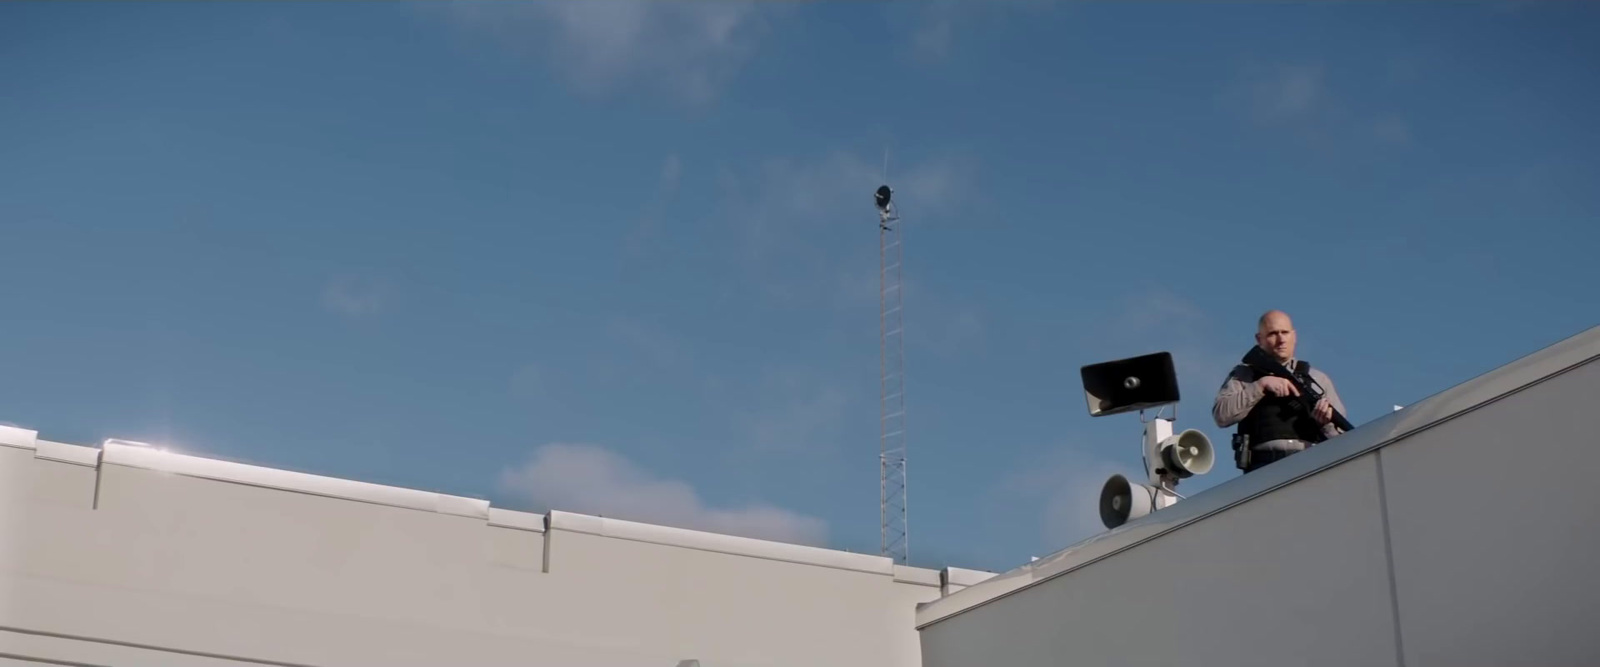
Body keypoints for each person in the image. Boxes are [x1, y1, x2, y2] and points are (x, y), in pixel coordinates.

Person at [1213, 310, 1348, 473]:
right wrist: (1261, 385)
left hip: (1310, 463)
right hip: (1262, 466)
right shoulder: (1245, 374)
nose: (1281, 339)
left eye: (1285, 332)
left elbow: (1342, 441)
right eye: (1273, 333)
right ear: (1259, 339)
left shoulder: (1317, 379)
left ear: (1294, 336)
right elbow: (1221, 415)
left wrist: (1325, 424)